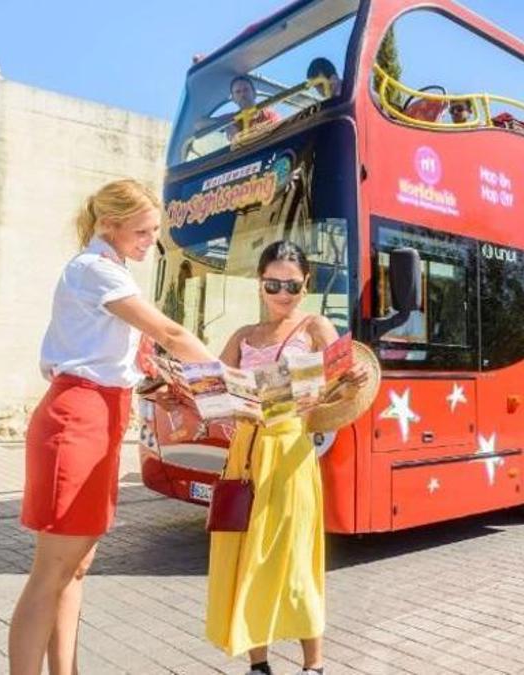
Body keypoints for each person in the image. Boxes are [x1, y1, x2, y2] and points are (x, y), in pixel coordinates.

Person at [9, 179, 215, 675]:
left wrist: (159, 388)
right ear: (109, 226)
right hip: (77, 418)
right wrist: (230, 380)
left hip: (102, 415)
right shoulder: (94, 270)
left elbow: (122, 361)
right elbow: (169, 333)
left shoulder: (112, 273)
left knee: (76, 565)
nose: (151, 241)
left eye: (154, 232)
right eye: (142, 232)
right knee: (51, 571)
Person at [206, 240, 365, 675]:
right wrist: (184, 390)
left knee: (293, 559)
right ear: (260, 285)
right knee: (247, 556)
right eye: (273, 284)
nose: (282, 294)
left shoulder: (316, 328)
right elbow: (216, 388)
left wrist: (351, 383)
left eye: (292, 286)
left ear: (306, 285)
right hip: (245, 453)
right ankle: (259, 664)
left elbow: (337, 393)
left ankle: (313, 665)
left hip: (292, 453)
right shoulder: (242, 336)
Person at [227, 75, 280, 140]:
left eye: (246, 90)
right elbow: (212, 122)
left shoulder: (269, 115)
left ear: (254, 93)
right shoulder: (231, 120)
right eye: (238, 92)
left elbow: (279, 134)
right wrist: (228, 126)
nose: (242, 94)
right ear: (233, 99)